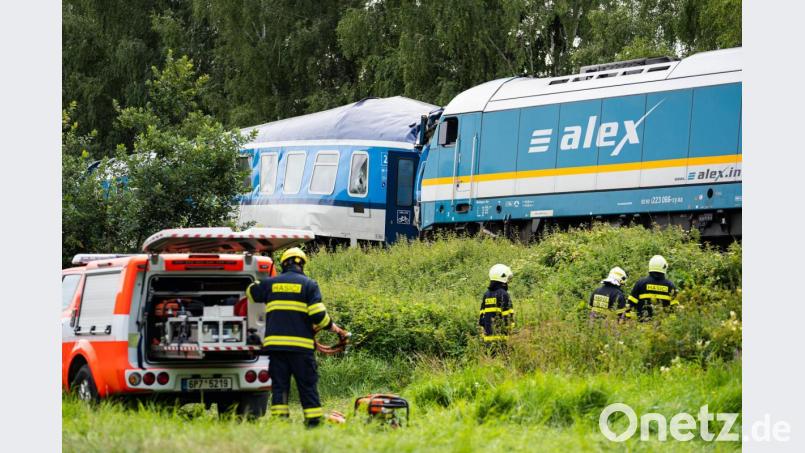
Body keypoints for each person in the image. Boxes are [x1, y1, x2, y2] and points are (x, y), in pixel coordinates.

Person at [246, 247, 348, 427]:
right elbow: (319, 316)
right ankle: (313, 422)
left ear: (284, 263)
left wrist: (260, 277)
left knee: (280, 387)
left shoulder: (271, 284)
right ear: (302, 264)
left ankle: (281, 424)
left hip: (276, 349)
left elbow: (251, 293)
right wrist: (336, 329)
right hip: (301, 350)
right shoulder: (309, 285)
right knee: (307, 386)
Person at [627, 255, 678, 320]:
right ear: (664, 267)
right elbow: (675, 309)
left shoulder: (640, 283)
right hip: (664, 326)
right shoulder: (671, 286)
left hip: (642, 326)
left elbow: (630, 305)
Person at [479, 264, 514, 346]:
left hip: (488, 341)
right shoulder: (504, 294)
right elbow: (508, 317)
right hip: (502, 341)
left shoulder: (486, 294)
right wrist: (511, 332)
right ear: (502, 278)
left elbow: (481, 318)